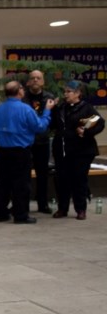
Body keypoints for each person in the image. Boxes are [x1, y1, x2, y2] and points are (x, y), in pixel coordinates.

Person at [0, 80, 53, 224]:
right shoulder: (26, 109)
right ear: (19, 91)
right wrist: (47, 110)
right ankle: (21, 215)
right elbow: (40, 127)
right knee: (21, 184)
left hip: (4, 151)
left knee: (3, 183)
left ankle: (1, 213)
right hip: (21, 151)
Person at [51, 80, 104, 220]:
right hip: (62, 149)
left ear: (78, 93)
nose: (65, 94)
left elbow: (99, 123)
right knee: (62, 180)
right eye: (65, 92)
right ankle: (62, 209)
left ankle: (81, 209)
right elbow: (52, 125)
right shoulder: (61, 107)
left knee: (79, 180)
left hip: (82, 151)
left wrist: (85, 132)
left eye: (69, 92)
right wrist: (51, 109)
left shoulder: (86, 108)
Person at [23, 70, 55, 213]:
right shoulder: (22, 97)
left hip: (42, 142)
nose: (35, 80)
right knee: (24, 174)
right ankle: (23, 204)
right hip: (25, 142)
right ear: (28, 81)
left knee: (43, 174)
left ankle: (43, 204)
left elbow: (52, 119)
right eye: (33, 78)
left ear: (43, 81)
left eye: (38, 78)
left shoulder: (49, 97)